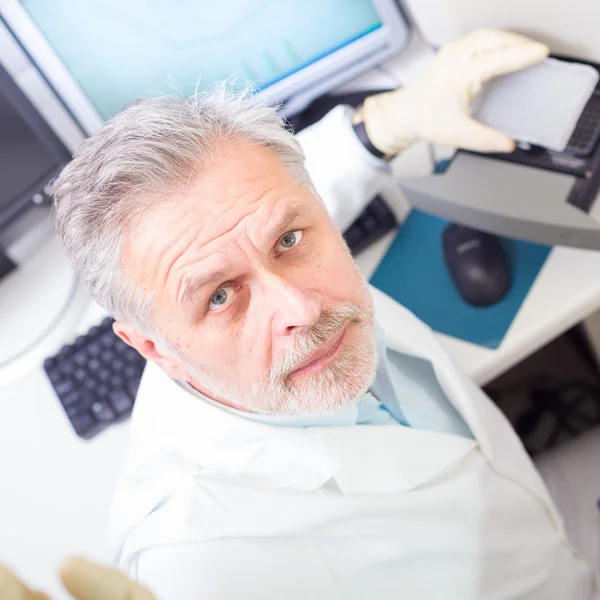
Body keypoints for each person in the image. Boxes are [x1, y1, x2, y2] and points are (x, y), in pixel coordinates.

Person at [2, 29, 599, 600]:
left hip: (545, 526)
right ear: (153, 349)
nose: (301, 307)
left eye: (288, 240)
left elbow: (256, 194)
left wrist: (390, 120)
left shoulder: (251, 222)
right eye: (218, 296)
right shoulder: (201, 560)